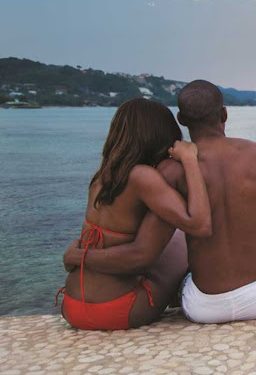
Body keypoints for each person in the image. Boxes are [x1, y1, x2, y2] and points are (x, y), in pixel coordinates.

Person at [65, 80, 256, 323]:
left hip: (204, 307)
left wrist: (81, 256)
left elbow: (149, 248)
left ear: (182, 120)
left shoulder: (167, 171)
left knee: (176, 240)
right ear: (224, 114)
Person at [58, 98, 212, 330]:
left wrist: (75, 256)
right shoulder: (142, 176)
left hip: (72, 306)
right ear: (159, 135)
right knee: (181, 240)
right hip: (116, 309)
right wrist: (190, 160)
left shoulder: (101, 177)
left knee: (166, 232)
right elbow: (199, 225)